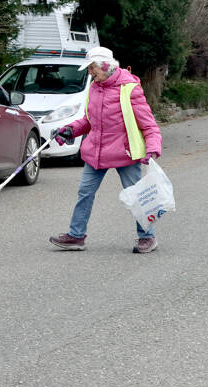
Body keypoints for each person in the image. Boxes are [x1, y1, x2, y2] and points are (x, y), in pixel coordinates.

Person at [49, 46, 162, 253]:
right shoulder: (94, 87)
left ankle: (147, 237)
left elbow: (148, 124)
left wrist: (152, 148)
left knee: (137, 195)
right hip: (97, 151)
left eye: (92, 68)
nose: (90, 73)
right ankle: (76, 236)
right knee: (85, 192)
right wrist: (69, 131)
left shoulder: (129, 87)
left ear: (106, 66)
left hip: (125, 152)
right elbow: (89, 120)